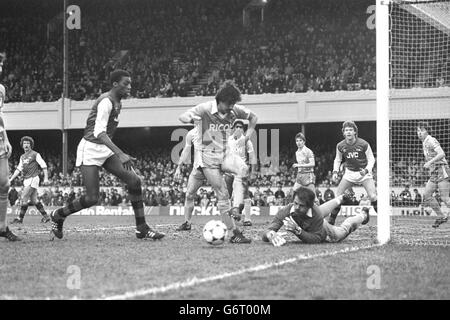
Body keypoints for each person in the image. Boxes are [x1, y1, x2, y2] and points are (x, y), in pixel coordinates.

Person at [49, 69, 164, 240]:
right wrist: (121, 153)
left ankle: (142, 228)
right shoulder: (106, 102)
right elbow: (99, 133)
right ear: (115, 84)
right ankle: (58, 215)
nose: (130, 87)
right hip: (90, 149)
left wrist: (115, 152)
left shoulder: (118, 101)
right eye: (126, 84)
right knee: (91, 198)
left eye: (130, 83)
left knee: (134, 180)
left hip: (105, 149)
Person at [178, 80, 258, 243]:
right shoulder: (203, 112)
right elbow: (183, 116)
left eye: (233, 104)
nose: (231, 107)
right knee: (216, 194)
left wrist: (248, 135)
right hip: (205, 163)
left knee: (242, 170)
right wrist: (186, 117)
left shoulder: (233, 110)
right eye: (229, 104)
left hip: (223, 155)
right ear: (220, 101)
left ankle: (236, 207)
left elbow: (253, 117)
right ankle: (233, 232)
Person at [261, 187, 369, 246]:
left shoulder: (315, 213)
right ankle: (341, 198)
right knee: (322, 210)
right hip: (313, 216)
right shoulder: (287, 210)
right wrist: (270, 234)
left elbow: (316, 239)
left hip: (323, 229)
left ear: (310, 206)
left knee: (341, 232)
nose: (297, 207)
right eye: (295, 203)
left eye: (301, 205)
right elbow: (268, 231)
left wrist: (298, 231)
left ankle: (363, 215)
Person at [328, 121, 377, 225]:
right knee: (338, 196)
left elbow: (372, 159)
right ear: (343, 133)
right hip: (349, 173)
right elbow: (337, 159)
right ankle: (331, 221)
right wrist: (335, 172)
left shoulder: (363, 144)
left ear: (355, 132)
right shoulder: (340, 145)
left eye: (350, 130)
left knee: (372, 196)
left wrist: (366, 170)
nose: (348, 132)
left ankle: (382, 221)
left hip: (364, 174)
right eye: (346, 130)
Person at [0, 51, 20, 241]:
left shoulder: (1, 89)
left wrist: (6, 138)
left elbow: (0, 115)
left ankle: (2, 227)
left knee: (4, 184)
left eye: (1, 65)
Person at [9, 136, 50, 224]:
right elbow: (18, 169)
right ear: (22, 145)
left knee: (24, 197)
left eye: (28, 143)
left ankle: (20, 219)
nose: (26, 145)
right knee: (34, 200)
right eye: (24, 143)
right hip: (27, 179)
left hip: (33, 178)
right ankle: (46, 217)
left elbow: (44, 165)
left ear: (31, 145)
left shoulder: (35, 154)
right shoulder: (22, 157)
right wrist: (11, 179)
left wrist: (46, 177)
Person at [224, 119, 257, 226]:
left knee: (245, 195)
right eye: (236, 127)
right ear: (233, 128)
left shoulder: (247, 141)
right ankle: (228, 218)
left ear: (243, 129)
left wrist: (253, 172)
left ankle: (247, 219)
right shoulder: (228, 140)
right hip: (229, 171)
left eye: (240, 127)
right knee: (227, 195)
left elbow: (252, 157)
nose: (238, 129)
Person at [417, 121, 449, 228]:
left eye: (421, 130)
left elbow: (441, 154)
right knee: (427, 195)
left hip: (442, 170)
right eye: (418, 130)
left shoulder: (431, 140)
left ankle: (442, 217)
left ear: (427, 131)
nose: (419, 133)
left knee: (445, 198)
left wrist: (430, 163)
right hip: (434, 172)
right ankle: (442, 217)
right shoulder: (424, 142)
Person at [174, 125, 205, 231]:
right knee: (189, 194)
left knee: (223, 194)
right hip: (199, 169)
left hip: (214, 168)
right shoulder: (191, 134)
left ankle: (230, 224)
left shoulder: (214, 130)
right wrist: (179, 167)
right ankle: (187, 223)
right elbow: (186, 151)